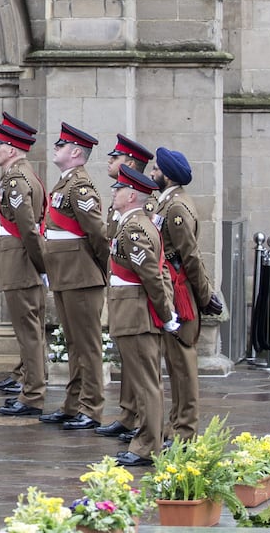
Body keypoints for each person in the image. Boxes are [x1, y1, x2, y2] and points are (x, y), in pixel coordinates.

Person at [38, 123, 109, 431]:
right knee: (73, 343)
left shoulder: (80, 188)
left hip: (81, 276)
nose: (56, 147)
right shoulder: (65, 184)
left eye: (62, 145)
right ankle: (73, 403)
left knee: (87, 345)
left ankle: (91, 408)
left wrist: (99, 269)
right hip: (66, 274)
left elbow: (97, 234)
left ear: (76, 153)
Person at [107, 165, 180, 467]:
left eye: (119, 188)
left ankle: (148, 445)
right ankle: (146, 438)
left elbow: (150, 275)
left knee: (147, 383)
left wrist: (166, 314)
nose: (114, 192)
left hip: (137, 313)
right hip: (132, 311)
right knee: (142, 382)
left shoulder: (134, 227)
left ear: (132, 194)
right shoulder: (132, 223)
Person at [152, 146, 224, 442]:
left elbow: (190, 256)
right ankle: (176, 425)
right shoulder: (167, 202)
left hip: (180, 291)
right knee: (175, 365)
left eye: (157, 169)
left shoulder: (177, 208)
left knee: (183, 366)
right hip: (172, 287)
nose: (152, 172)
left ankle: (186, 430)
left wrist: (205, 296)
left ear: (167, 176)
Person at [0, 115, 48, 418]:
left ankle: (33, 394)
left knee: (28, 333)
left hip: (22, 264)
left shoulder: (15, 179)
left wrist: (41, 264)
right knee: (29, 332)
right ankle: (29, 387)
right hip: (22, 263)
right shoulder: (19, 175)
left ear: (11, 148)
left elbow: (27, 227)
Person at [96, 131, 154, 440]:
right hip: (121, 284)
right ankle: (130, 413)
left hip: (138, 291)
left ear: (129, 162)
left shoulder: (144, 203)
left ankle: (144, 422)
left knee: (141, 364)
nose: (109, 161)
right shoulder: (122, 199)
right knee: (128, 358)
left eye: (115, 157)